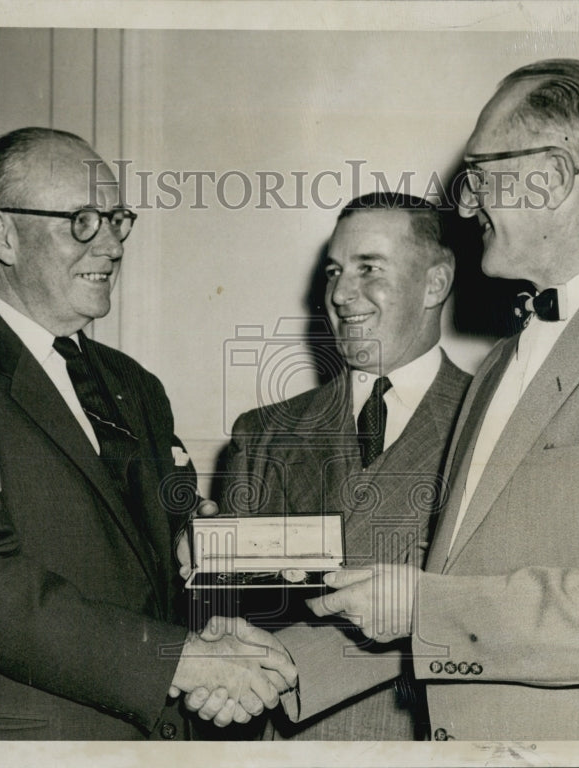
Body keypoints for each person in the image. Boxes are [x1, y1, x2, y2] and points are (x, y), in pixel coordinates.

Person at [290, 59, 579, 740]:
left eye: (480, 176)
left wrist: (423, 606)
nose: (468, 205)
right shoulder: (502, 362)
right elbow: (461, 593)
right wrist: (283, 664)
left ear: (555, 176)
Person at [0, 127, 296, 740]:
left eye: (116, 219)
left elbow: (153, 561)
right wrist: (181, 660)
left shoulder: (136, 387)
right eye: (81, 220)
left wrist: (209, 615)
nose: (109, 244)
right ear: (2, 235)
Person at [189, 193, 472, 739]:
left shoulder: (494, 423)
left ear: (435, 283)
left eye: (369, 268)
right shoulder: (263, 434)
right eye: (335, 271)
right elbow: (224, 612)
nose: (342, 294)